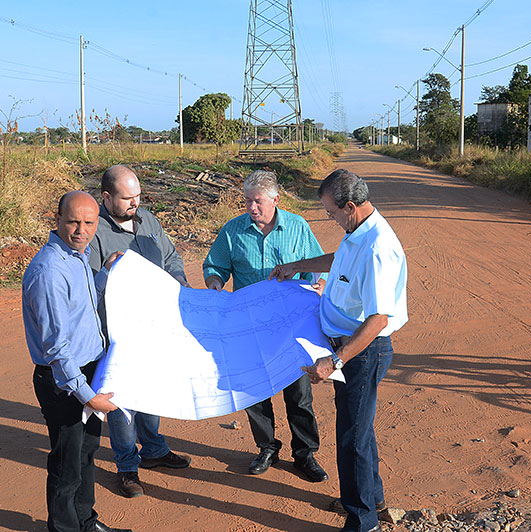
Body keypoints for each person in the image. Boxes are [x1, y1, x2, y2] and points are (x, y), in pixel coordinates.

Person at [270, 169, 407, 532]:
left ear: (350, 206)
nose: (330, 218)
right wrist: (295, 268)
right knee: (359, 428)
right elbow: (339, 261)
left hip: (363, 350)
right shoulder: (357, 232)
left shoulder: (378, 248)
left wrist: (335, 360)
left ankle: (363, 520)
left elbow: (378, 318)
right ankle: (369, 497)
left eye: (331, 212)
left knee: (351, 436)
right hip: (351, 347)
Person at [203, 169, 329, 483]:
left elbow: (317, 266)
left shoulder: (298, 227)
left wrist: (320, 284)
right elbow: (214, 265)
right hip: (249, 326)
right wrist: (215, 285)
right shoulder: (233, 231)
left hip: (291, 328)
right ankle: (267, 448)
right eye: (247, 200)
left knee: (298, 393)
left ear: (275, 199)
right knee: (255, 392)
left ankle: (305, 455)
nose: (251, 207)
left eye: (258, 201)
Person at [22, 190, 132, 532]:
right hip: (65, 382)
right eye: (73, 222)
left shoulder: (78, 257)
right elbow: (57, 348)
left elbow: (83, 304)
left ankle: (86, 522)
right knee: (67, 463)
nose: (81, 230)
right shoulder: (49, 271)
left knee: (85, 455)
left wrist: (105, 275)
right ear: (57, 221)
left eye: (88, 222)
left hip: (86, 374)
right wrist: (87, 395)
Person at [87, 165, 192, 499]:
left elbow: (172, 257)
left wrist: (178, 282)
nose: (135, 203)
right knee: (122, 399)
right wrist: (107, 271)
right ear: (106, 197)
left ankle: (155, 449)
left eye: (137, 196)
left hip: (155, 325)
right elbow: (86, 284)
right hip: (117, 332)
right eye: (127, 198)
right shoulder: (93, 230)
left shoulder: (148, 219)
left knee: (151, 389)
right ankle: (127, 466)